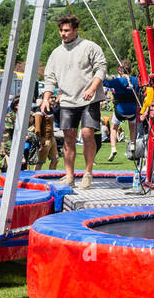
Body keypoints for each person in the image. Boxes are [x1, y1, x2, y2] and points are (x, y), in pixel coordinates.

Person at [41, 15, 107, 189]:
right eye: (61, 30)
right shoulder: (56, 53)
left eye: (67, 30)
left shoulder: (89, 47)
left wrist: (92, 88)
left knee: (86, 134)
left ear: (75, 30)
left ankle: (87, 173)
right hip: (68, 100)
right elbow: (49, 78)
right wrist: (46, 98)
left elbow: (101, 68)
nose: (63, 34)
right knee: (69, 137)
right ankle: (69, 175)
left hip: (89, 98)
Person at [103, 63, 142, 162]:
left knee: (113, 128)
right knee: (132, 128)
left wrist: (102, 73)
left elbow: (105, 83)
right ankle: (132, 145)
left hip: (120, 110)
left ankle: (113, 149)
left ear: (120, 71)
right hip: (132, 110)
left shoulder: (117, 81)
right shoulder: (136, 80)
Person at [31, 91, 60, 171]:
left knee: (56, 160)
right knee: (40, 162)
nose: (53, 99)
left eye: (53, 97)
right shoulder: (39, 110)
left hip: (52, 138)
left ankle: (51, 178)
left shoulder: (50, 109)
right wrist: (40, 141)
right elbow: (37, 128)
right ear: (45, 98)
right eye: (51, 97)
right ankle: (35, 180)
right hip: (44, 139)